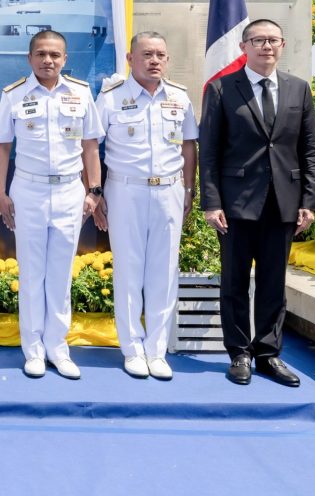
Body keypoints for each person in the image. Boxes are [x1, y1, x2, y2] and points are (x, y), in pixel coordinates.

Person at [200, 18, 315, 387]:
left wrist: (309, 201)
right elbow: (210, 152)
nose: (267, 46)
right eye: (258, 40)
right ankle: (239, 353)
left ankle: (268, 354)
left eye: (273, 40)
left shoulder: (298, 89)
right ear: (244, 47)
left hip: (283, 203)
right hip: (236, 205)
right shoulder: (221, 88)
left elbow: (309, 150)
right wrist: (211, 202)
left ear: (282, 45)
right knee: (234, 282)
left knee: (273, 283)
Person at [0, 29, 105, 380]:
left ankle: (58, 346)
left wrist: (94, 191)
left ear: (65, 59)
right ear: (30, 58)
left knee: (60, 274)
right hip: (28, 190)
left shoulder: (80, 93)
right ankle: (33, 349)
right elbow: (2, 148)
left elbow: (90, 147)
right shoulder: (13, 95)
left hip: (70, 191)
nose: (48, 60)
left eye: (55, 55)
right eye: (41, 54)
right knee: (31, 274)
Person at [95, 32, 197, 380]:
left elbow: (189, 146)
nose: (154, 61)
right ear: (130, 59)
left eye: (160, 55)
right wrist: (95, 193)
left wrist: (189, 189)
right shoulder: (111, 98)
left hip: (169, 190)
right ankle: (132, 349)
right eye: (147, 55)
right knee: (128, 271)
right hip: (125, 191)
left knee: (164, 271)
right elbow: (91, 145)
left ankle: (156, 350)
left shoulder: (179, 97)